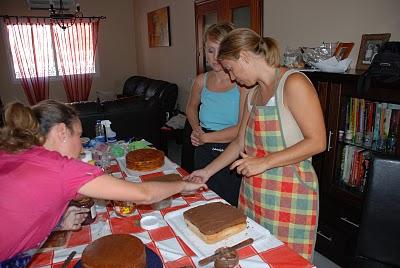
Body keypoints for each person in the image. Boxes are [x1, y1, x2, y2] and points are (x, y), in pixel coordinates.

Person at [0, 100, 207, 264]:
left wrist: (57, 222)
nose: (81, 148)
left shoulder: (13, 151)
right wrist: (183, 184)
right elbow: (145, 194)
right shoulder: (60, 169)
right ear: (62, 131)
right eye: (79, 136)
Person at [185, 28, 326, 261]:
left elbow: (318, 142)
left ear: (245, 57)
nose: (232, 77)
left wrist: (264, 161)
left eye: (231, 68)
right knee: (254, 256)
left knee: (284, 260)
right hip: (254, 193)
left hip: (291, 194)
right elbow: (240, 141)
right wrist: (206, 172)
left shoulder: (293, 83)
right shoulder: (253, 93)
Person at [185, 22, 248, 206]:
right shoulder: (200, 81)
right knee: (203, 199)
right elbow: (190, 107)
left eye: (221, 50)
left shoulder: (242, 84)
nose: (215, 57)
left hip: (231, 150)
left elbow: (240, 129)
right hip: (203, 147)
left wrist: (207, 137)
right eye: (210, 50)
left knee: (228, 204)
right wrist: (197, 130)